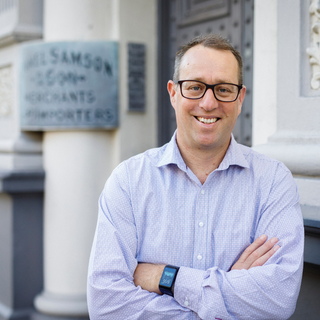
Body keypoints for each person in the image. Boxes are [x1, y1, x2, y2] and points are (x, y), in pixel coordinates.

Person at [87, 34, 304, 319]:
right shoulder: (128, 182)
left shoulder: (274, 182)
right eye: (195, 87)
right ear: (173, 93)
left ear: (240, 99)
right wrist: (225, 295)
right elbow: (106, 305)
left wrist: (169, 278)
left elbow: (277, 299)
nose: (209, 102)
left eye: (224, 90)